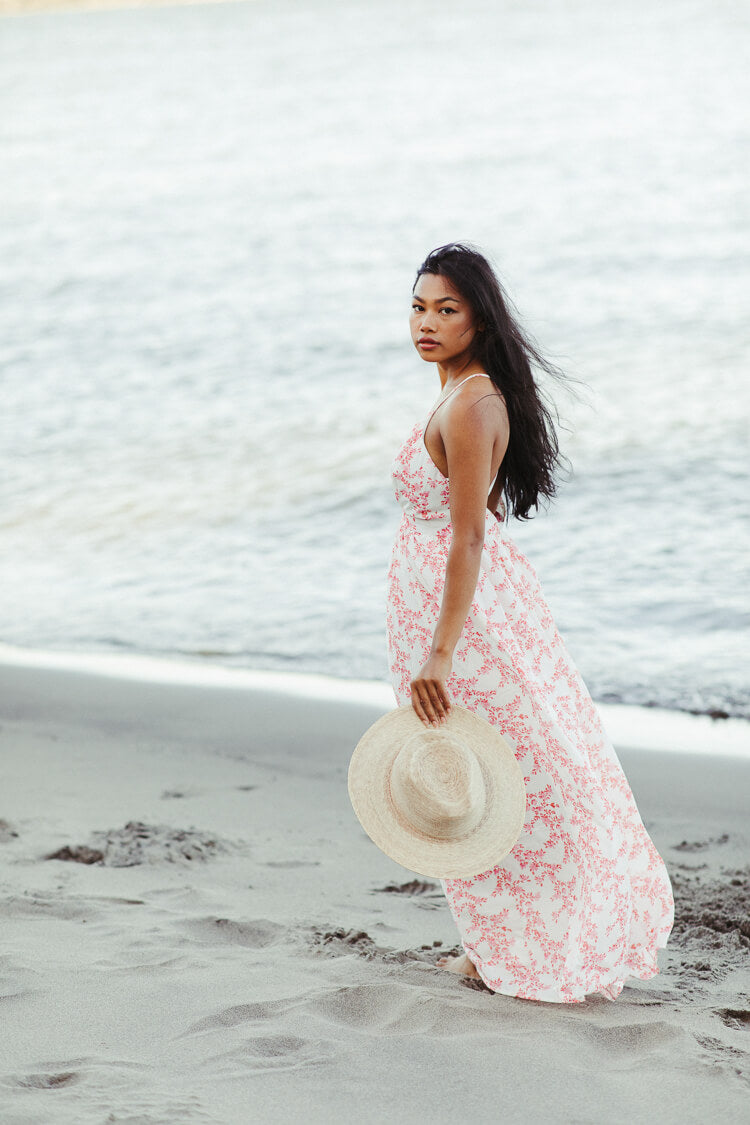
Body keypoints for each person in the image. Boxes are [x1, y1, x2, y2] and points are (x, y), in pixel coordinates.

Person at [386, 242, 674, 1003]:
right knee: (476, 768)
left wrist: (440, 652)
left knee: (516, 769)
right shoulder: (456, 395)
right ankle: (492, 937)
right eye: (418, 306)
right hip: (459, 611)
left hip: (472, 622)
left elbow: (469, 534)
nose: (427, 321)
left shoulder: (476, 402)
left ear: (479, 320)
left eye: (446, 308)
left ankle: (538, 936)